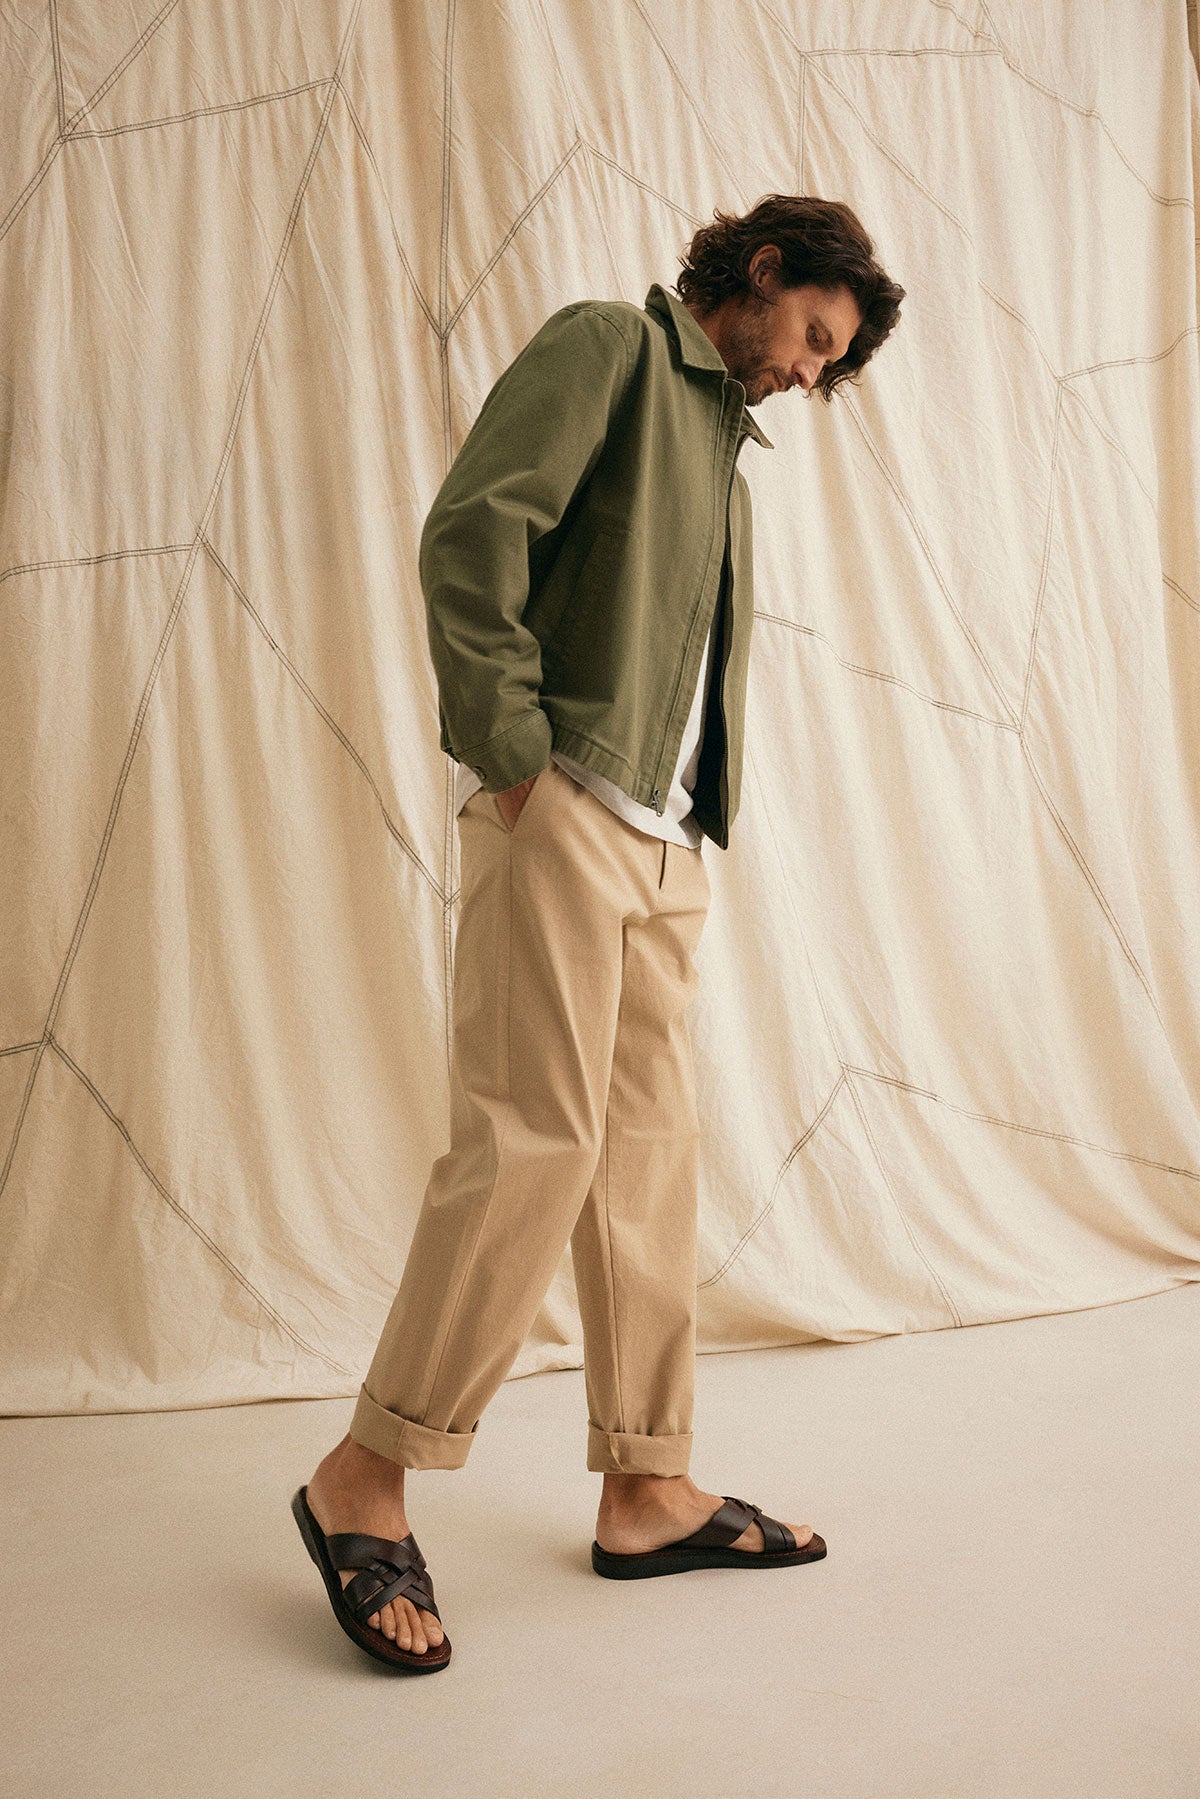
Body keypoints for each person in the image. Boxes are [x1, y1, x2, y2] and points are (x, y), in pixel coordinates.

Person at [292, 195, 905, 1672]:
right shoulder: (610, 351)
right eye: (813, 339)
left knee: (645, 1156)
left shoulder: (729, 463)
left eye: (829, 367)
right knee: (531, 1141)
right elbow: (472, 532)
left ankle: (645, 1483)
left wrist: (692, 819)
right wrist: (511, 757)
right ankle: (362, 1475)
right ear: (765, 275)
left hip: (664, 836)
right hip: (562, 803)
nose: (806, 379)